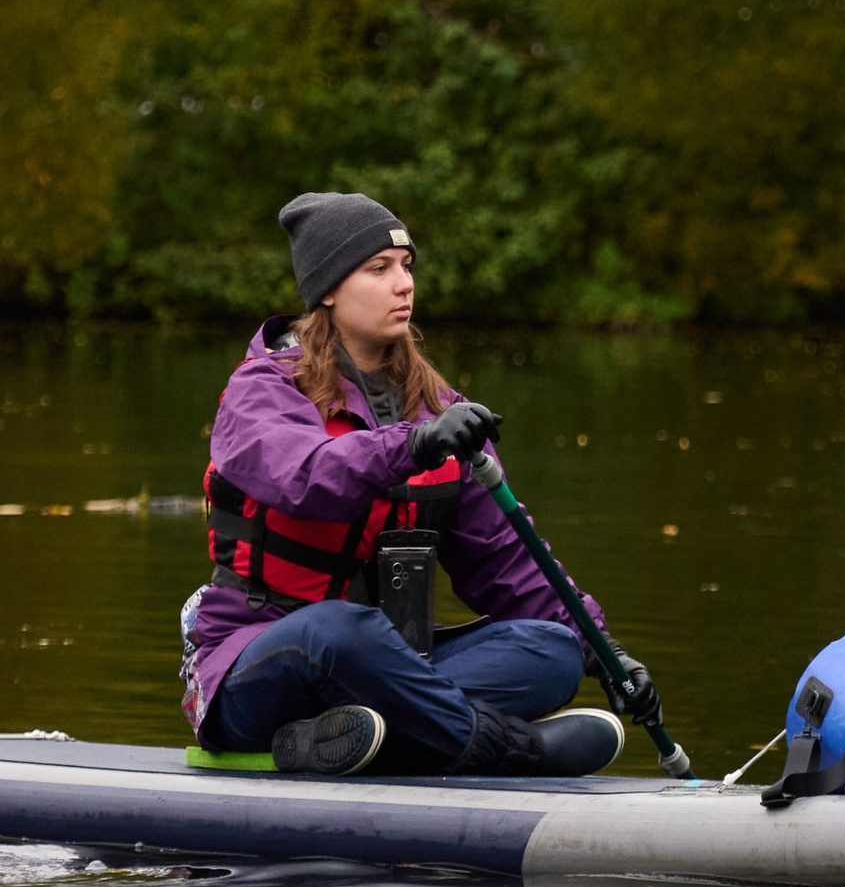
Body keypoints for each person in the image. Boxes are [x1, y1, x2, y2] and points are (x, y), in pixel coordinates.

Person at [183, 188, 628, 781]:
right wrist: (412, 445)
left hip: (390, 668)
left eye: (407, 266)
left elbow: (506, 563)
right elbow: (306, 478)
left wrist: (607, 653)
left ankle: (350, 740)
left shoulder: (440, 410)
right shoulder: (259, 390)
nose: (404, 284)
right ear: (330, 289)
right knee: (336, 630)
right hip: (259, 661)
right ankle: (515, 751)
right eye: (379, 268)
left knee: (551, 651)